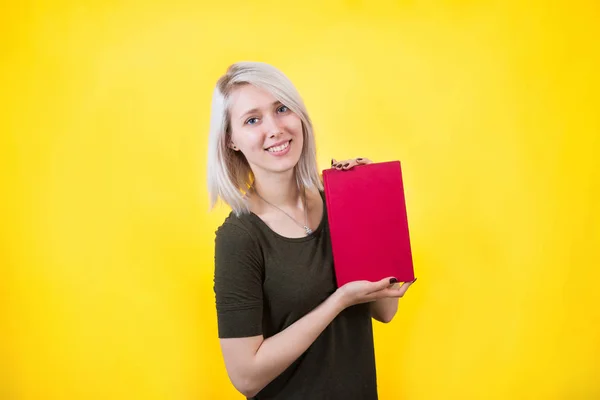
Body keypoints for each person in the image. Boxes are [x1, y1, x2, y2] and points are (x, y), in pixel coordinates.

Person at [207, 61, 417, 400]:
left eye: (281, 108)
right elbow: (245, 377)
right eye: (252, 120)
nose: (274, 128)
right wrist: (338, 302)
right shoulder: (240, 237)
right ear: (231, 140)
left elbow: (385, 310)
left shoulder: (338, 201)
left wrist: (368, 208)